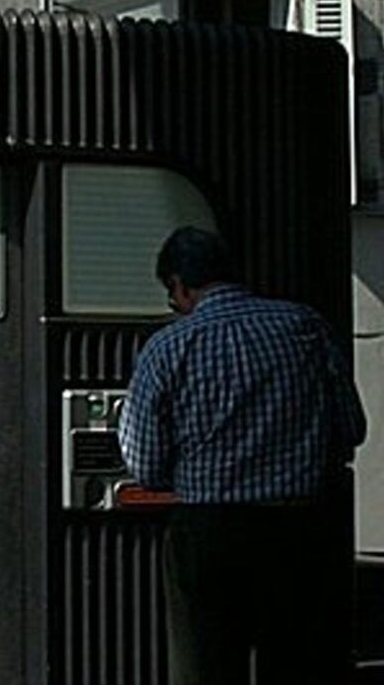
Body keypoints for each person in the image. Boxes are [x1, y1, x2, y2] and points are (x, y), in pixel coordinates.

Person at [118, 226, 367, 685]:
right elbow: (352, 428)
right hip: (299, 530)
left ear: (180, 285)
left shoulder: (167, 348)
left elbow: (146, 464)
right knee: (297, 661)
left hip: (209, 532)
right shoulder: (304, 326)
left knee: (207, 665)